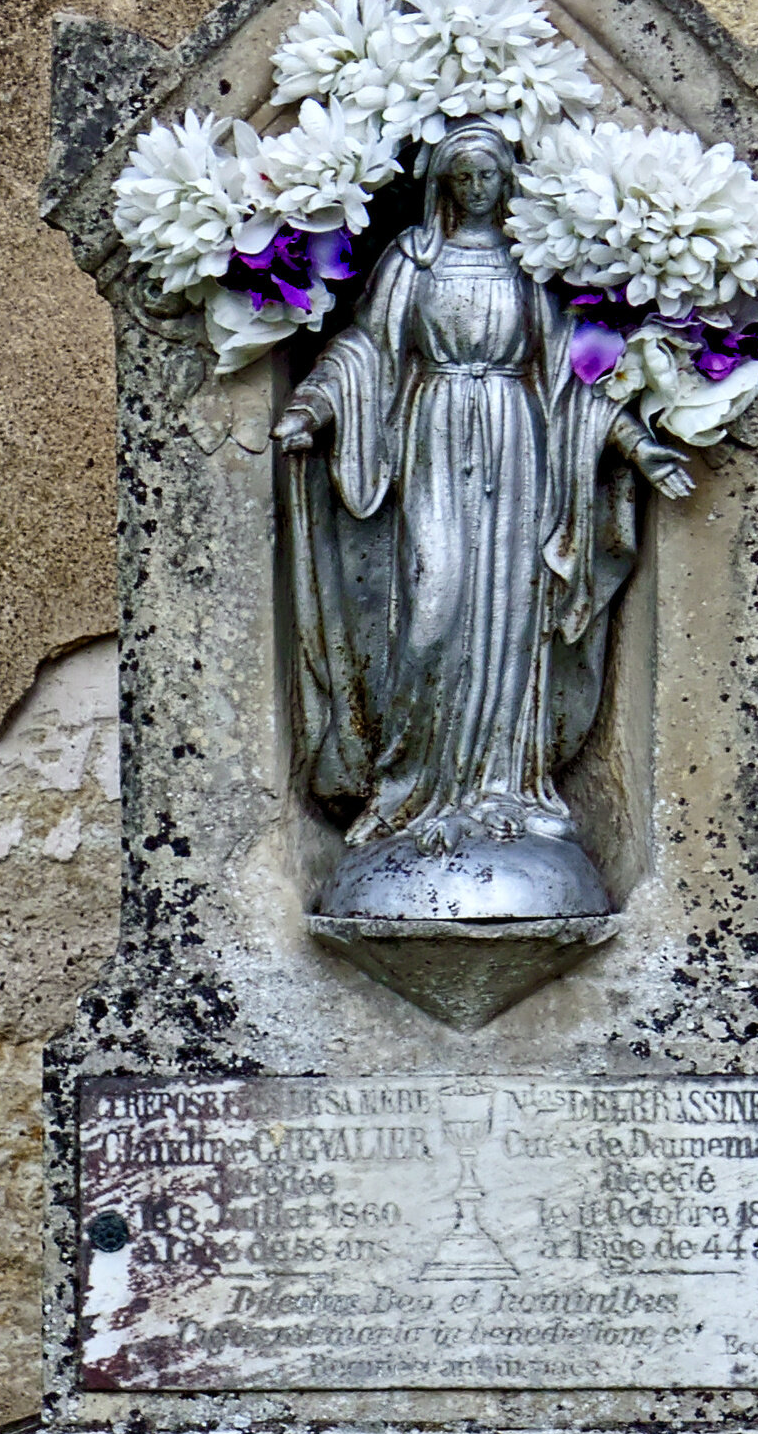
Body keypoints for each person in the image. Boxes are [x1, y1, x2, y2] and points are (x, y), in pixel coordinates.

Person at [274, 120, 690, 920]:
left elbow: (578, 384)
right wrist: (309, 406)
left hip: (517, 440)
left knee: (508, 618)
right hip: (431, 434)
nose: (475, 189)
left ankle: (503, 789)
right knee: (431, 612)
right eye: (461, 176)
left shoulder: (530, 268)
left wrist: (639, 449)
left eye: (488, 177)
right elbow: (362, 352)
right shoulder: (412, 261)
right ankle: (412, 795)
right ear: (440, 185)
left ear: (506, 185)